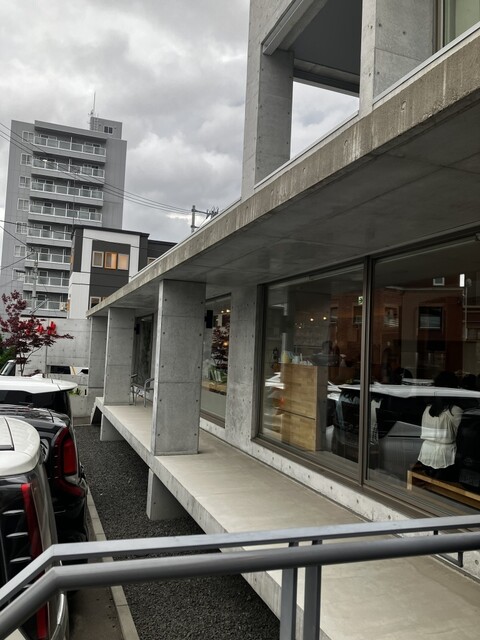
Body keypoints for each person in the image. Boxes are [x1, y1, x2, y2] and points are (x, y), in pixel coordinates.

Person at [418, 371, 462, 480]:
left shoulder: (428, 408)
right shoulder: (454, 410)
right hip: (446, 462)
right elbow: (461, 436)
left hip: (426, 457)